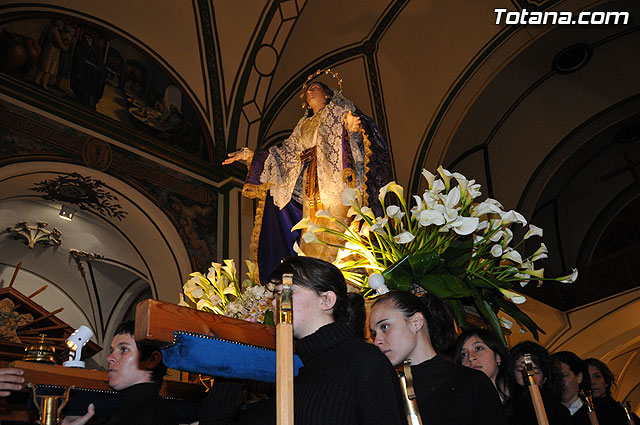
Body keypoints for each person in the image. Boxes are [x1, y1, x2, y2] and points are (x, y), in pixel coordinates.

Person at [199, 256, 406, 425]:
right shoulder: (294, 373)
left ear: (326, 300)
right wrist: (235, 355)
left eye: (285, 292)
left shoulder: (364, 361)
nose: (274, 303)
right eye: (275, 295)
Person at [223, 77, 392, 283]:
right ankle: (312, 281)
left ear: (328, 94)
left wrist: (352, 128)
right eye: (307, 91)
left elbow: (357, 135)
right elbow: (283, 155)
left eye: (315, 88)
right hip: (307, 187)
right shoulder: (302, 125)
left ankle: (341, 281)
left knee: (334, 228)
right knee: (309, 233)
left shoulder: (339, 111)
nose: (309, 93)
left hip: (332, 181)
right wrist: (250, 155)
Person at [369, 290, 508, 425]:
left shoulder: (471, 383)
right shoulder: (387, 393)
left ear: (416, 322)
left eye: (385, 327)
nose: (377, 341)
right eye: (374, 333)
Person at [62, 320, 179, 425]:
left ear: (152, 359)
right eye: (112, 350)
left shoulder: (155, 413)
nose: (109, 358)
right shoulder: (115, 410)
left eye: (124, 349)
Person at [510, 341, 571, 425]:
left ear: (545, 378)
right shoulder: (506, 410)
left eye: (535, 372)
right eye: (521, 370)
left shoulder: (558, 412)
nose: (527, 377)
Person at [455, 329, 515, 404]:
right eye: (463, 354)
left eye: (478, 348)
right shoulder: (462, 406)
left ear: (498, 356)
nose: (470, 358)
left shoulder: (528, 397)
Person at [585, 358, 640, 425]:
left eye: (597, 377)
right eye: (587, 378)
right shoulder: (580, 415)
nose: (592, 382)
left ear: (606, 382)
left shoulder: (624, 415)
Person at [551, 351, 591, 425]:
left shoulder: (596, 412)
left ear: (579, 377)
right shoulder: (549, 413)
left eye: (564, 376)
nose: (560, 382)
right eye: (555, 377)